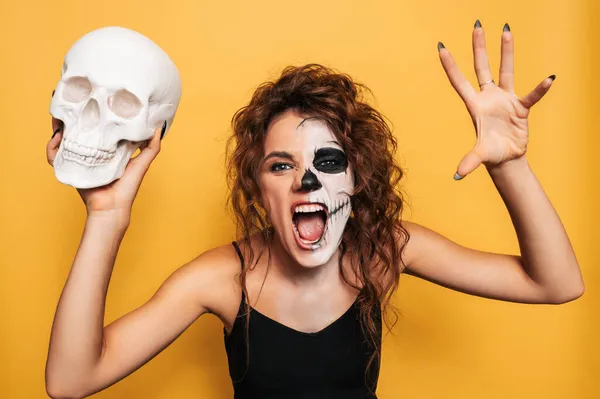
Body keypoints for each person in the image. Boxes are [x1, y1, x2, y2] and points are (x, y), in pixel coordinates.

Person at [45, 21, 584, 399]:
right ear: (257, 190)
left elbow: (555, 284)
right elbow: (70, 382)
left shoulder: (383, 252)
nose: (306, 181)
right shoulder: (221, 279)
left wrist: (508, 165)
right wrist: (106, 218)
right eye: (280, 166)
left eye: (327, 161)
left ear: (355, 178)